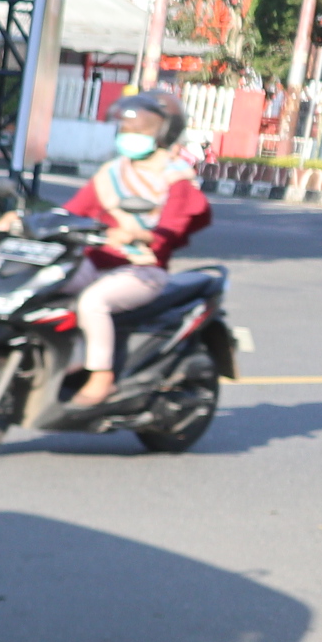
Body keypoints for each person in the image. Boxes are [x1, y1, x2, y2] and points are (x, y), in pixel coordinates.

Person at [62, 88, 211, 409]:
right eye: (127, 128)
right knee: (53, 283)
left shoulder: (176, 178)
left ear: (164, 131)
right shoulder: (112, 172)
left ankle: (101, 378)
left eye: (141, 128)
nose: (130, 134)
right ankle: (65, 359)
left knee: (93, 301)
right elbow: (72, 211)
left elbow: (173, 228)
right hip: (95, 262)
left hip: (143, 270)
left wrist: (138, 234)